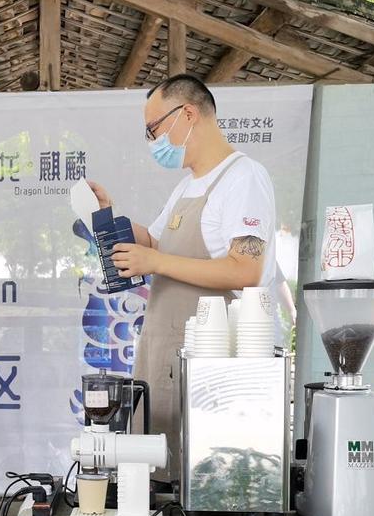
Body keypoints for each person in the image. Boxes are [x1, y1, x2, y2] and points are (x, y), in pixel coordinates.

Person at [89, 74, 277, 460]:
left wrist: (155, 261)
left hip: (207, 359)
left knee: (199, 461)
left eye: (154, 129)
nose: (154, 142)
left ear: (188, 114)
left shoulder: (243, 179)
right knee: (157, 459)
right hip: (164, 347)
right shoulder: (187, 185)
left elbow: (246, 270)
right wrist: (106, 216)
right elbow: (157, 243)